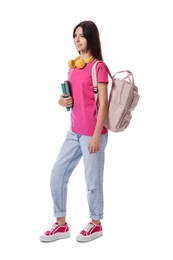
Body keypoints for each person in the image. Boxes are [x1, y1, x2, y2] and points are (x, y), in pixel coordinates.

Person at [40, 20, 109, 243]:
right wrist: (62, 101)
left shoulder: (98, 67)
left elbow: (104, 103)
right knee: (57, 173)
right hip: (74, 131)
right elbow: (71, 100)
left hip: (92, 133)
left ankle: (95, 223)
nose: (77, 39)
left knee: (92, 182)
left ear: (91, 38)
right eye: (75, 35)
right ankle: (61, 224)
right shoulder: (74, 66)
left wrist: (97, 135)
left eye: (81, 35)